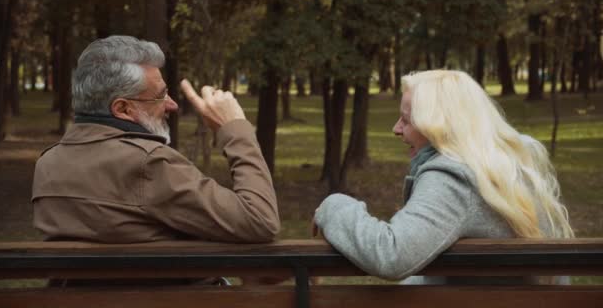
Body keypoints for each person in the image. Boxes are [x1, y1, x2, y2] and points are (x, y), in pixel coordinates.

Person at [313, 70, 573, 284]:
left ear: (439, 127)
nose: (396, 129)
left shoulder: (455, 177)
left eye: (406, 120)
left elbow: (392, 254)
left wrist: (333, 206)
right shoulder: (509, 163)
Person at [32, 35, 280, 245]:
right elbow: (260, 220)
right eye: (160, 96)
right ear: (123, 109)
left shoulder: (48, 164)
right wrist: (234, 128)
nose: (172, 105)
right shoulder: (147, 163)